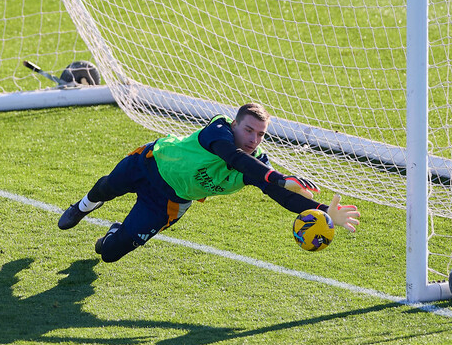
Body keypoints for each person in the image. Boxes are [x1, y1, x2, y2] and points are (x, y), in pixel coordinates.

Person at [59, 103, 360, 263]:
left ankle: (115, 232)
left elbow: (284, 197)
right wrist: (279, 178)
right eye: (249, 130)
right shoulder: (218, 130)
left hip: (168, 201)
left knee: (109, 254)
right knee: (109, 186)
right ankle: (83, 207)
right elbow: (234, 158)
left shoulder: (258, 166)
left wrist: (323, 212)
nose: (254, 140)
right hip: (150, 162)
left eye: (261, 135)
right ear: (234, 124)